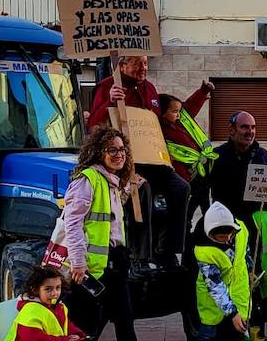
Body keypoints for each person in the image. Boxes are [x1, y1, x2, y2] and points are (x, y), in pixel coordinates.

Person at [60, 125, 172, 341]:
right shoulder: (87, 181)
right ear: (99, 152)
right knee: (88, 326)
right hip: (93, 270)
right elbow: (72, 223)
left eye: (122, 150)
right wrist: (77, 263)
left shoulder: (110, 181)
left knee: (123, 319)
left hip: (115, 263)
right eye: (112, 150)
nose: (119, 154)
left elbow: (106, 221)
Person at [85, 55, 206, 266]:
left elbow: (173, 116)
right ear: (122, 65)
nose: (143, 67)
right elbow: (94, 127)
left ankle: (169, 251)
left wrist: (201, 94)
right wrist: (109, 102)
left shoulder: (150, 89)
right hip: (124, 163)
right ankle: (140, 257)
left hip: (154, 160)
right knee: (142, 191)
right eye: (137, 63)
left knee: (181, 188)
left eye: (145, 63)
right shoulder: (107, 87)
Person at [188, 202, 251, 341]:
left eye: (230, 235)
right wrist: (231, 312)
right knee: (206, 336)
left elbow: (245, 252)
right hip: (212, 300)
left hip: (239, 292)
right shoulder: (203, 251)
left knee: (238, 336)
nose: (227, 239)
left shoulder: (240, 231)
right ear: (210, 234)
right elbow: (215, 285)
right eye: (221, 237)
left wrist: (249, 269)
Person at [207, 111, 267, 219]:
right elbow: (201, 191)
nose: (250, 132)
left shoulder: (262, 155)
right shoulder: (216, 156)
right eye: (245, 127)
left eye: (253, 127)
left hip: (256, 222)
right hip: (227, 221)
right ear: (231, 130)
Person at [159, 93, 216, 183]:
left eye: (179, 111)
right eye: (174, 111)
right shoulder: (162, 130)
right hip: (186, 174)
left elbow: (190, 106)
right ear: (163, 113)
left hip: (202, 166)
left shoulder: (183, 121)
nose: (178, 115)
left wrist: (202, 92)